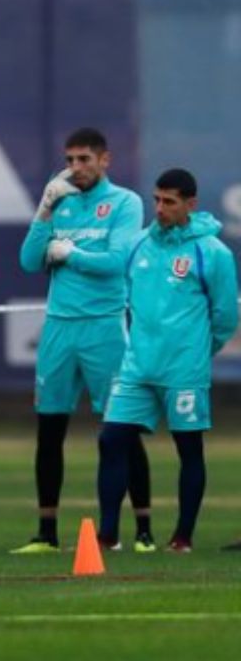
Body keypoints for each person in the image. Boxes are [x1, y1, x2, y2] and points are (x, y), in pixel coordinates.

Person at [13, 128, 148, 554]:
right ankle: (46, 533)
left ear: (104, 160)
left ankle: (141, 530)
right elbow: (29, 261)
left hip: (104, 326)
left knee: (121, 431)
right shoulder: (62, 199)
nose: (76, 168)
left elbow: (117, 262)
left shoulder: (125, 203)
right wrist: (45, 209)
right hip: (58, 328)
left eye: (84, 159)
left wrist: (71, 254)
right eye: (70, 159)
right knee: (49, 431)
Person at [98, 169, 238, 554]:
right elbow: (127, 299)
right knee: (111, 440)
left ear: (190, 205)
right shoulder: (139, 244)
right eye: (157, 200)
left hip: (184, 370)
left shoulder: (212, 253)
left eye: (169, 202)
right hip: (137, 367)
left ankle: (182, 537)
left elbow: (225, 316)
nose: (160, 209)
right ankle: (107, 535)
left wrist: (197, 350)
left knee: (188, 448)